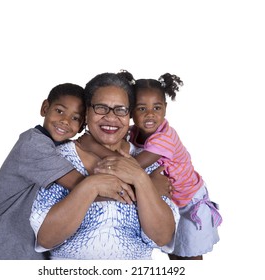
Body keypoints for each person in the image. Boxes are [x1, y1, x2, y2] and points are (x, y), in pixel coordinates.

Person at [30, 72, 180, 259]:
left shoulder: (149, 162)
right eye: (101, 108)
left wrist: (141, 179)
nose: (111, 117)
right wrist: (91, 185)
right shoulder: (60, 158)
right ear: (86, 112)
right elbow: (46, 238)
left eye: (120, 110)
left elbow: (162, 237)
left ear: (129, 115)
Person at [78, 71, 222, 260]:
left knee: (188, 255)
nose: (150, 115)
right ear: (131, 111)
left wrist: (93, 146)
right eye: (141, 109)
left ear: (165, 108)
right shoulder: (133, 131)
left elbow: (132, 168)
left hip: (189, 200)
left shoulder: (165, 138)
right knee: (173, 247)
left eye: (157, 108)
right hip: (170, 199)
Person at [0, 83, 91, 260]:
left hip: (33, 255)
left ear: (82, 125)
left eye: (75, 118)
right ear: (45, 108)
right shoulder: (33, 144)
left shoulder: (64, 150)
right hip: (4, 251)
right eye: (60, 111)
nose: (65, 121)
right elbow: (83, 186)